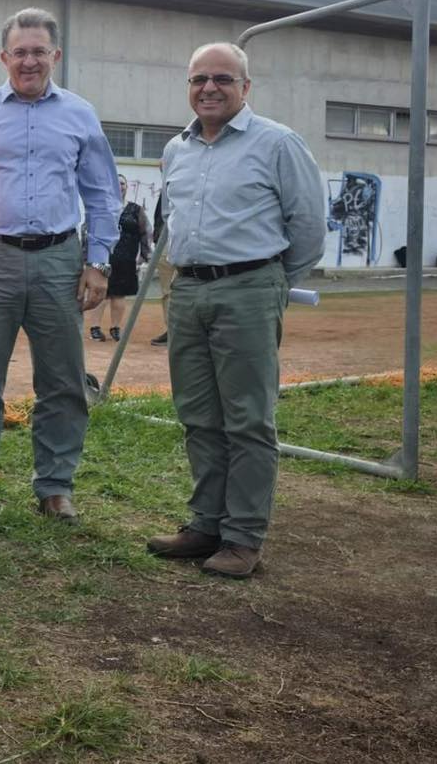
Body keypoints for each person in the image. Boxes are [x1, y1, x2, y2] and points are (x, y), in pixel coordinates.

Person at [0, 7, 119, 523]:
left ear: (55, 55)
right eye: (20, 52)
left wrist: (98, 262)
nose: (29, 61)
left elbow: (102, 195)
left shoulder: (80, 114)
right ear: (4, 57)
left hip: (60, 260)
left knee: (62, 380)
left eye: (39, 52)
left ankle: (55, 486)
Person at [148, 42, 324, 579]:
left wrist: (268, 283)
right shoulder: (176, 150)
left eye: (222, 79)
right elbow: (172, 221)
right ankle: (206, 524)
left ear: (245, 87)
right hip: (188, 291)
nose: (209, 88)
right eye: (198, 79)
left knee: (247, 420)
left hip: (248, 288)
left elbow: (308, 228)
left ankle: (243, 536)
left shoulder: (277, 143)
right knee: (198, 415)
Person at [88, 175, 152, 342]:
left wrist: (145, 256)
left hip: (126, 260)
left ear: (126, 187)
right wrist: (87, 256)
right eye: (116, 183)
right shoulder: (101, 207)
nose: (120, 186)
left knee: (119, 295)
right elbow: (88, 230)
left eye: (122, 183)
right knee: (101, 293)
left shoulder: (136, 210)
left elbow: (146, 233)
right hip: (103, 258)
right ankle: (95, 328)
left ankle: (115, 328)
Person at [150, 189, 173, 346]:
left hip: (190, 242)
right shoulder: (167, 186)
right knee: (167, 291)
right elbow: (159, 214)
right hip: (166, 241)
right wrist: (158, 238)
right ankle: (171, 330)